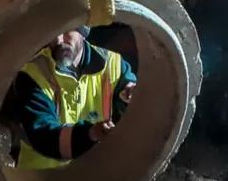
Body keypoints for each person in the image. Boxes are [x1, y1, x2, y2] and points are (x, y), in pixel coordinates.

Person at [9, 27, 137, 170]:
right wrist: (91, 134)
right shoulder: (32, 75)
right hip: (43, 175)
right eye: (52, 32)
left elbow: (132, 104)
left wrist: (129, 99)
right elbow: (43, 136)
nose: (58, 41)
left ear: (83, 32)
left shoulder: (115, 65)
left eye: (65, 30)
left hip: (94, 171)